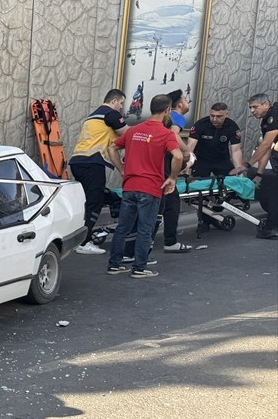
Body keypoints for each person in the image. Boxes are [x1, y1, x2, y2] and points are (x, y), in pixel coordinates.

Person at [106, 94, 184, 279]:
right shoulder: (166, 134)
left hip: (130, 186)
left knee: (123, 227)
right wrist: (172, 178)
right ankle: (139, 268)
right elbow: (179, 156)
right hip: (150, 188)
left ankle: (114, 265)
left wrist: (122, 169)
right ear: (167, 111)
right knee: (145, 228)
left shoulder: (133, 131)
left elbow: (111, 148)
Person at [70, 89, 127, 255]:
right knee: (95, 202)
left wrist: (120, 167)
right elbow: (130, 134)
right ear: (115, 101)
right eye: (121, 103)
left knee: (87, 202)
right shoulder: (111, 114)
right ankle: (83, 242)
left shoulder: (94, 116)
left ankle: (78, 239)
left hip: (78, 161)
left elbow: (112, 146)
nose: (121, 107)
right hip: (92, 162)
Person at [187, 102, 245, 230]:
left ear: (226, 114)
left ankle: (216, 211)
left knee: (229, 187)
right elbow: (190, 147)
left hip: (221, 160)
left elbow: (236, 151)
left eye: (219, 116)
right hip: (202, 161)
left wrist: (239, 171)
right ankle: (204, 221)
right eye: (212, 115)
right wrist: (187, 165)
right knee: (200, 192)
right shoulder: (201, 124)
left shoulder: (232, 126)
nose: (214, 119)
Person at [159, 89, 194, 253]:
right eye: (185, 99)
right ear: (180, 104)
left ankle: (169, 240)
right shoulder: (177, 116)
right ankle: (169, 242)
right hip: (166, 161)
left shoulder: (165, 116)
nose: (188, 101)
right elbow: (172, 134)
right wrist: (187, 152)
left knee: (170, 203)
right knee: (169, 203)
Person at [246, 93, 278, 240]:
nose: (252, 111)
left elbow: (265, 145)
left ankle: (273, 228)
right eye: (250, 108)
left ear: (266, 104)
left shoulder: (275, 113)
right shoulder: (266, 121)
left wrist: (247, 164)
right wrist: (259, 174)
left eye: (255, 107)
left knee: (274, 192)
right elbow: (267, 148)